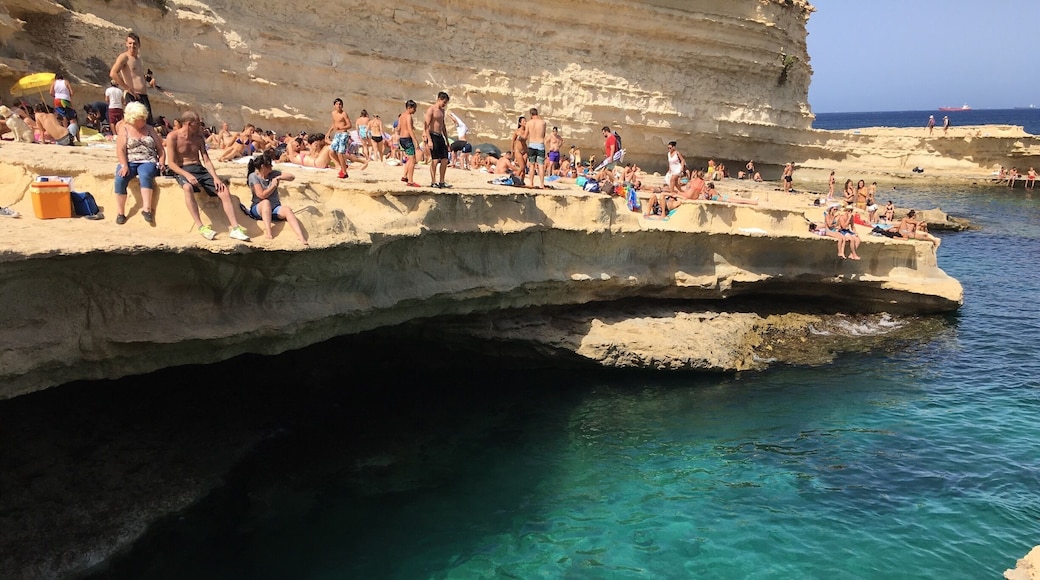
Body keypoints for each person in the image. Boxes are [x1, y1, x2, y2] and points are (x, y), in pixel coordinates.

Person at [166, 110, 250, 241]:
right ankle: (201, 227)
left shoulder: (198, 138)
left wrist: (216, 178)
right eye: (197, 123)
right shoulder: (173, 137)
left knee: (223, 191)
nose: (200, 126)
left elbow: (206, 160)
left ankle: (235, 228)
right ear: (189, 123)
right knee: (187, 188)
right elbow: (171, 163)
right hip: (182, 169)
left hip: (199, 168)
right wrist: (187, 175)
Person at [113, 101, 164, 225]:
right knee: (120, 178)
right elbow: (120, 150)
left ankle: (147, 209)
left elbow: (160, 148)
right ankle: (120, 213)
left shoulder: (150, 129)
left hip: (148, 159)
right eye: (141, 118)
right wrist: (124, 165)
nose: (144, 120)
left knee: (145, 175)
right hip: (130, 160)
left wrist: (161, 162)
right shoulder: (124, 129)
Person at [246, 153, 307, 244]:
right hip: (259, 208)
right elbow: (261, 195)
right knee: (266, 202)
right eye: (269, 165)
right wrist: (273, 186)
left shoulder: (273, 174)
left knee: (287, 210)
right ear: (263, 167)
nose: (271, 167)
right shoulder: (253, 177)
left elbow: (291, 177)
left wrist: (278, 177)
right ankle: (268, 233)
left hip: (274, 208)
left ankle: (300, 236)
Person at [110, 32, 154, 126]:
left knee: (148, 123)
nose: (132, 45)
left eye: (134, 43)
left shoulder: (139, 59)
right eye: (130, 43)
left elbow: (139, 75)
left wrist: (150, 80)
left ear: (139, 45)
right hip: (132, 95)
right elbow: (113, 73)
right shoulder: (124, 57)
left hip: (143, 95)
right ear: (126, 43)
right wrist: (128, 88)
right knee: (134, 122)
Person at [424, 91, 452, 188]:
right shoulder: (431, 110)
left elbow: (442, 125)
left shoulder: (442, 111)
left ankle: (442, 181)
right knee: (435, 160)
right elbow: (426, 126)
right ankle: (433, 181)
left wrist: (447, 140)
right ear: (439, 99)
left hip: (440, 136)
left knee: (445, 159)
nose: (444, 104)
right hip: (432, 135)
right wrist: (429, 140)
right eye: (444, 102)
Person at [327, 98, 352, 179]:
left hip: (344, 134)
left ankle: (344, 172)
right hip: (337, 134)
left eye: (340, 104)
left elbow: (349, 125)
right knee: (331, 151)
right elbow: (333, 124)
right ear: (334, 106)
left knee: (340, 153)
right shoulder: (333, 113)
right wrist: (328, 132)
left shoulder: (344, 114)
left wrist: (342, 127)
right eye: (337, 104)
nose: (339, 106)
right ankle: (343, 166)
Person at [398, 99, 419, 186]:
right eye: (414, 108)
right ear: (409, 107)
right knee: (412, 159)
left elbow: (398, 128)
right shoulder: (408, 116)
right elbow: (410, 130)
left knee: (409, 159)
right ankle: (410, 180)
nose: (415, 110)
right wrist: (416, 141)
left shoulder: (401, 116)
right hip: (407, 139)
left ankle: (404, 176)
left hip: (402, 139)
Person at [525, 107, 547, 188]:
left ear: (531, 114)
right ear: (537, 113)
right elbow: (543, 135)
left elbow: (525, 135)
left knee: (531, 165)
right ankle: (541, 184)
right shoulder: (543, 123)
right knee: (541, 165)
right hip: (540, 144)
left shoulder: (528, 123)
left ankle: (531, 183)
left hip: (532, 144)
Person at [510, 116, 528, 182]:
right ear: (520, 123)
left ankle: (522, 181)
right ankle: (515, 178)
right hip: (518, 150)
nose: (525, 122)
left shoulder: (527, 131)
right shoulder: (517, 131)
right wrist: (512, 151)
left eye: (525, 121)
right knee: (522, 166)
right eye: (523, 121)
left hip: (525, 151)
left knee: (524, 169)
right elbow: (512, 141)